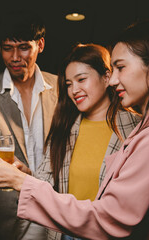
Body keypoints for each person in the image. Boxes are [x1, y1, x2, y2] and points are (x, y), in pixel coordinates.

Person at [0, 19, 149, 239]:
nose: (115, 79)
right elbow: (50, 182)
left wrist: (20, 181)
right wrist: (24, 176)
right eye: (68, 84)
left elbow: (110, 218)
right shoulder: (66, 126)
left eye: (121, 67)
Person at [0, 11, 58, 239]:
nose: (15, 57)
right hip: (7, 218)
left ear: (40, 45)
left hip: (57, 211)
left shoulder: (63, 87)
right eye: (7, 48)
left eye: (24, 47)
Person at [34, 43, 140, 239]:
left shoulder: (136, 128)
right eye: (68, 84)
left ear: (107, 77)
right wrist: (19, 174)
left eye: (81, 79)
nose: (74, 90)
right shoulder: (64, 127)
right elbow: (44, 180)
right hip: (64, 233)